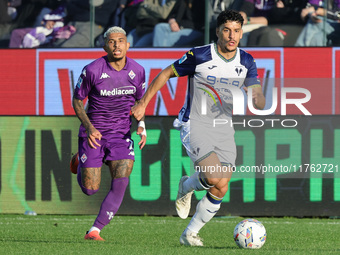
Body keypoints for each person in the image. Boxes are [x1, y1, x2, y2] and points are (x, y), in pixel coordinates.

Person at [131, 9, 265, 246]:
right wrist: (143, 103)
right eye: (227, 30)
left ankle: (189, 234)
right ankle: (187, 185)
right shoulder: (199, 55)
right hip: (194, 122)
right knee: (213, 176)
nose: (232, 35)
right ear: (218, 31)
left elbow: (257, 95)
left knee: (222, 186)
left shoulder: (247, 61)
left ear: (241, 33)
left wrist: (257, 98)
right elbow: (165, 73)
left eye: (236, 31)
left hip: (223, 126)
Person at [70, 26, 146, 241]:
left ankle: (95, 230)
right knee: (90, 189)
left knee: (123, 175)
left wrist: (141, 124)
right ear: (105, 46)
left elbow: (140, 101)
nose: (116, 45)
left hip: (121, 134)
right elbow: (77, 100)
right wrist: (89, 127)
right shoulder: (92, 70)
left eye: (121, 40)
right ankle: (79, 159)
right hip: (93, 133)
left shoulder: (138, 70)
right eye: (112, 41)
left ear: (127, 45)